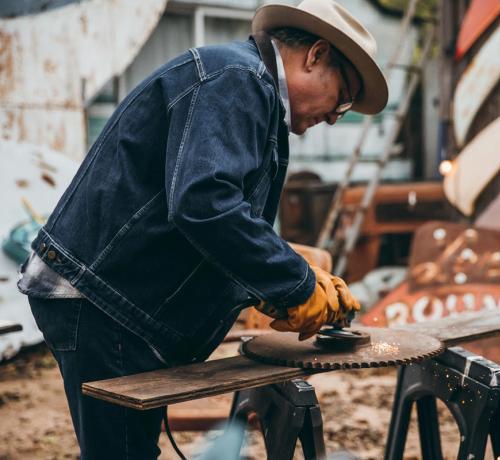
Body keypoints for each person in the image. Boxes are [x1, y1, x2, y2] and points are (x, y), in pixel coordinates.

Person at [17, 0, 388, 458]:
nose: (336, 116)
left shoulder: (245, 88)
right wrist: (296, 284)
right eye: (344, 97)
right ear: (315, 55)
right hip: (100, 300)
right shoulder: (238, 79)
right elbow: (205, 205)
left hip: (111, 297)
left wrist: (271, 281)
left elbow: (217, 221)